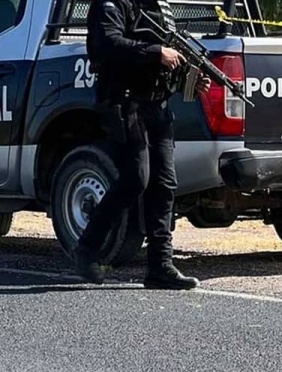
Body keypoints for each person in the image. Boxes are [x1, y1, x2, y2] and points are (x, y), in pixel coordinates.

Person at [75, 0, 210, 290]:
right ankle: (87, 248)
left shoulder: (161, 7)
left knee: (164, 185)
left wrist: (188, 79)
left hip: (157, 106)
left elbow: (167, 58)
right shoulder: (112, 3)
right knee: (135, 179)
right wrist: (157, 52)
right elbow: (107, 43)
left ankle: (160, 266)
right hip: (125, 103)